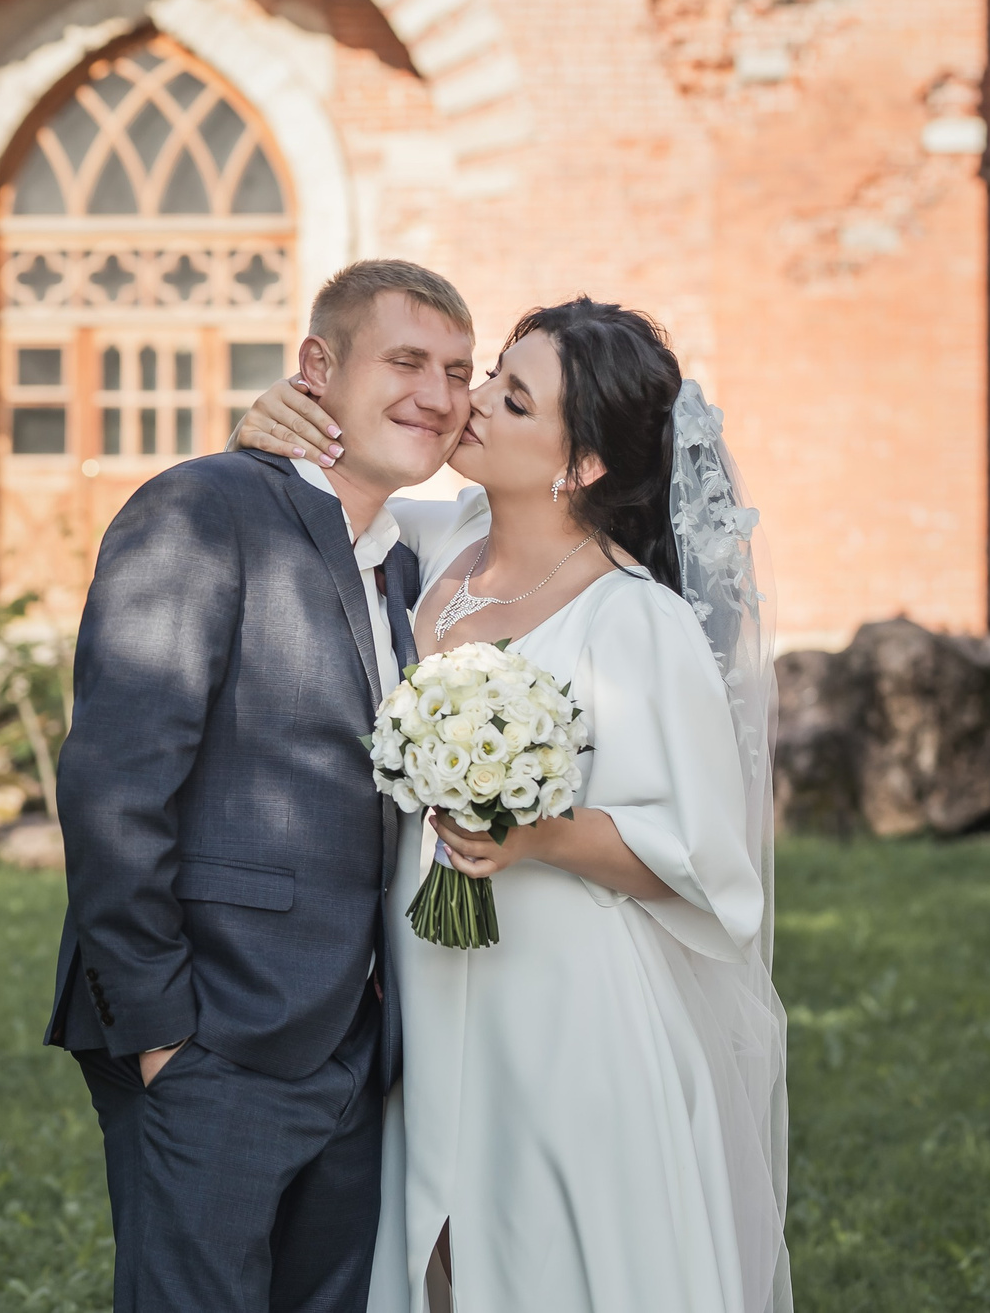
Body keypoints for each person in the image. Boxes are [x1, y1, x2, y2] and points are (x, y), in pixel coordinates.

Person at [235, 297, 791, 1313]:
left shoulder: (637, 620)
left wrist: (538, 831)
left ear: (580, 466)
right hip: (427, 980)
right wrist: (277, 419)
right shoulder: (432, 551)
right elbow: (337, 494)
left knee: (543, 1257)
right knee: (436, 1252)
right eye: (491, 374)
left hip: (561, 998)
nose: (472, 401)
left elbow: (707, 860)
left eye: (512, 396)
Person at [46, 260, 477, 1313]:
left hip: (352, 1039)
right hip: (212, 1033)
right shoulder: (202, 506)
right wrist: (161, 1035)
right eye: (406, 360)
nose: (436, 392)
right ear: (316, 369)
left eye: (460, 371)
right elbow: (114, 782)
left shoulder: (406, 564)